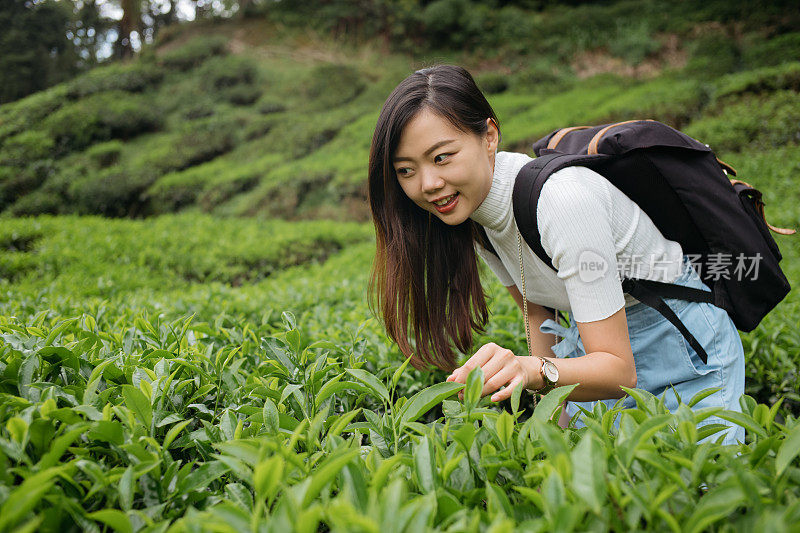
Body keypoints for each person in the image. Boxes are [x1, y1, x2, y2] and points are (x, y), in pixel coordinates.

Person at [366, 64, 746, 446]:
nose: (428, 184)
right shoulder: (474, 211)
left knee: (701, 490)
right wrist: (555, 420)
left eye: (442, 157)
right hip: (592, 354)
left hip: (682, 351)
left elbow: (619, 370)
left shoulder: (563, 203)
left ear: (489, 136)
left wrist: (532, 370)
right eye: (405, 170)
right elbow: (537, 309)